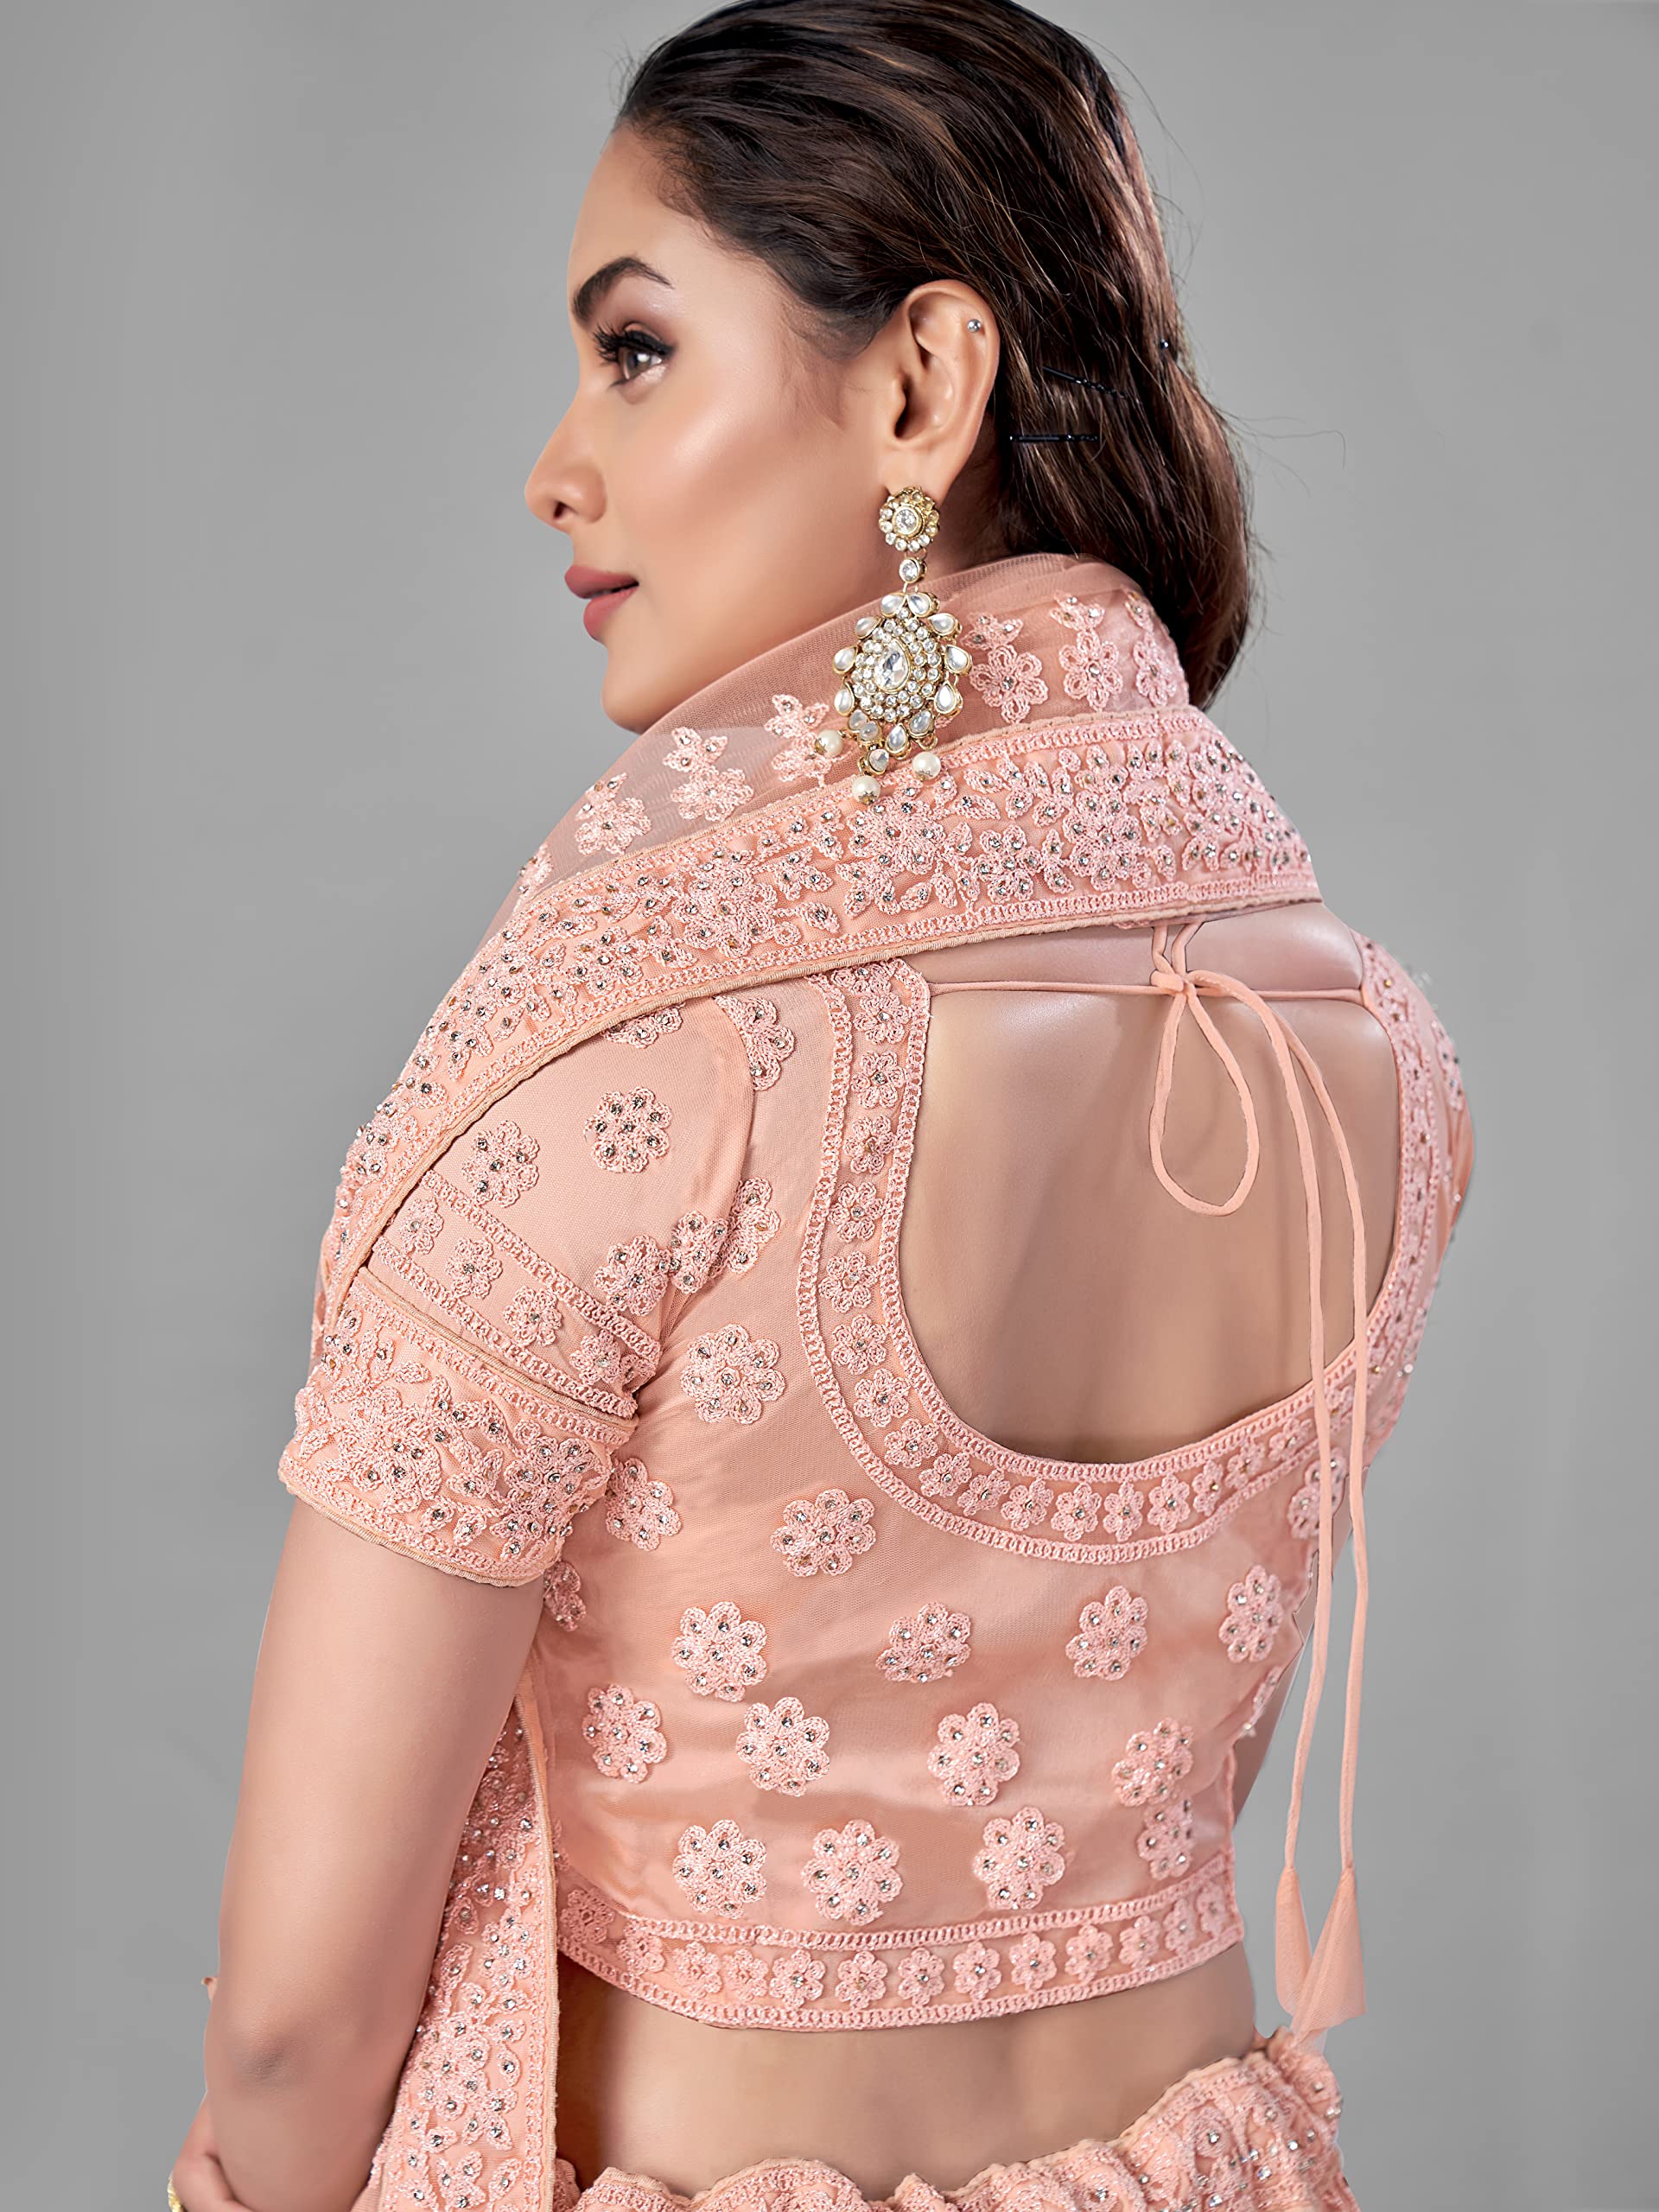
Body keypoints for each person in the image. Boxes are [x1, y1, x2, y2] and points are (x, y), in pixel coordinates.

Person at [168, 5, 1476, 2209]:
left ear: (918, 389)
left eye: (637, 351)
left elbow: (297, 2020)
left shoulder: (630, 1075)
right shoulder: (1380, 1056)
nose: (555, 465)